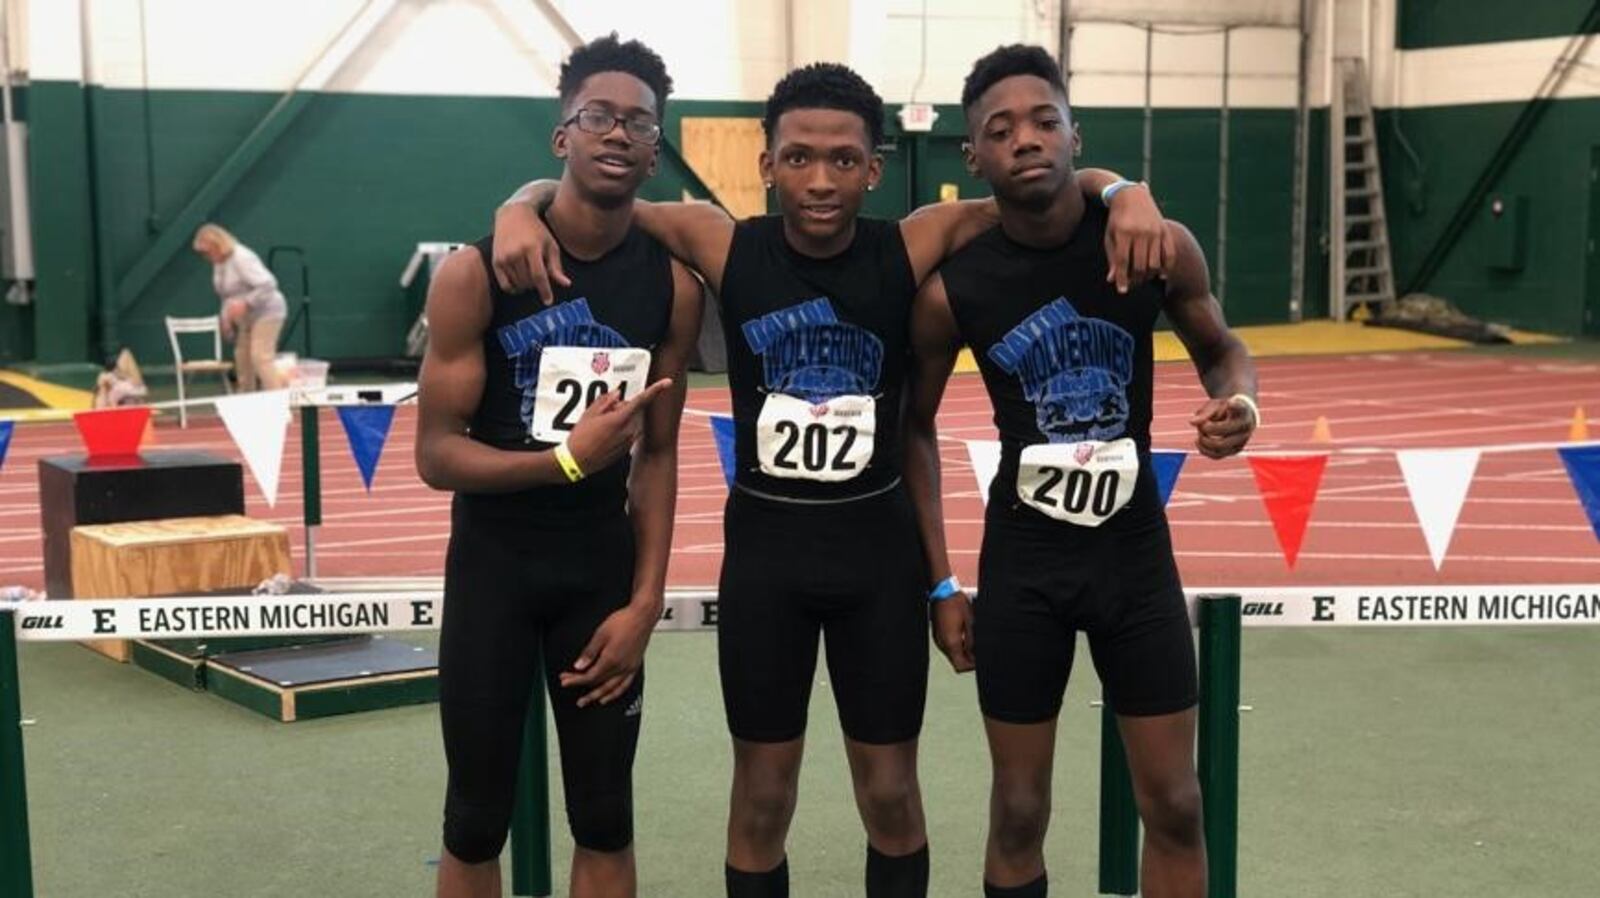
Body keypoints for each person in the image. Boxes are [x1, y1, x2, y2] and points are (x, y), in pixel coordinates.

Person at [492, 62, 1171, 898]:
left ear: (874, 168)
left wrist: (1126, 190)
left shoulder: (912, 241)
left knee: (890, 796)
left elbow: (1040, 183)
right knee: (762, 800)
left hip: (877, 566)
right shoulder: (721, 241)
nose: (821, 181)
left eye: (844, 160)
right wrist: (516, 205)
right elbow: (590, 193)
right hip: (766, 566)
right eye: (800, 158)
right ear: (767, 162)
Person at [903, 45, 1259, 898]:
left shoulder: (1152, 244)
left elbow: (1223, 350)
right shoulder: (956, 287)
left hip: (1135, 561)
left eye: (1044, 120)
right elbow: (911, 430)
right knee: (1019, 811)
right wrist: (939, 583)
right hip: (1023, 567)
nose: (1026, 138)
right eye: (1001, 129)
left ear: (1074, 134)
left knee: (1174, 803)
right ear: (974, 157)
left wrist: (1241, 406)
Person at [413, 34, 704, 898]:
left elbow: (658, 456)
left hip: (599, 579)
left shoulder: (673, 289)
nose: (618, 134)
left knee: (606, 814)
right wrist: (563, 465)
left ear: (656, 148)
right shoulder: (475, 273)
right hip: (493, 570)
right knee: (474, 816)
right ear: (562, 137)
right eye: (599, 117)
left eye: (639, 123)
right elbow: (436, 455)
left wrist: (646, 603)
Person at [192, 223, 287, 391]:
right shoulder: (219, 263)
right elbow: (227, 296)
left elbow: (268, 284)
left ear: (218, 244)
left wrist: (247, 302)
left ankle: (278, 400)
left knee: (260, 356)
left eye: (207, 251)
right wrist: (225, 319)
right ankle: (246, 401)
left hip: (268, 311)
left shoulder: (241, 257)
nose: (205, 256)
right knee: (242, 359)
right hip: (246, 318)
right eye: (202, 253)